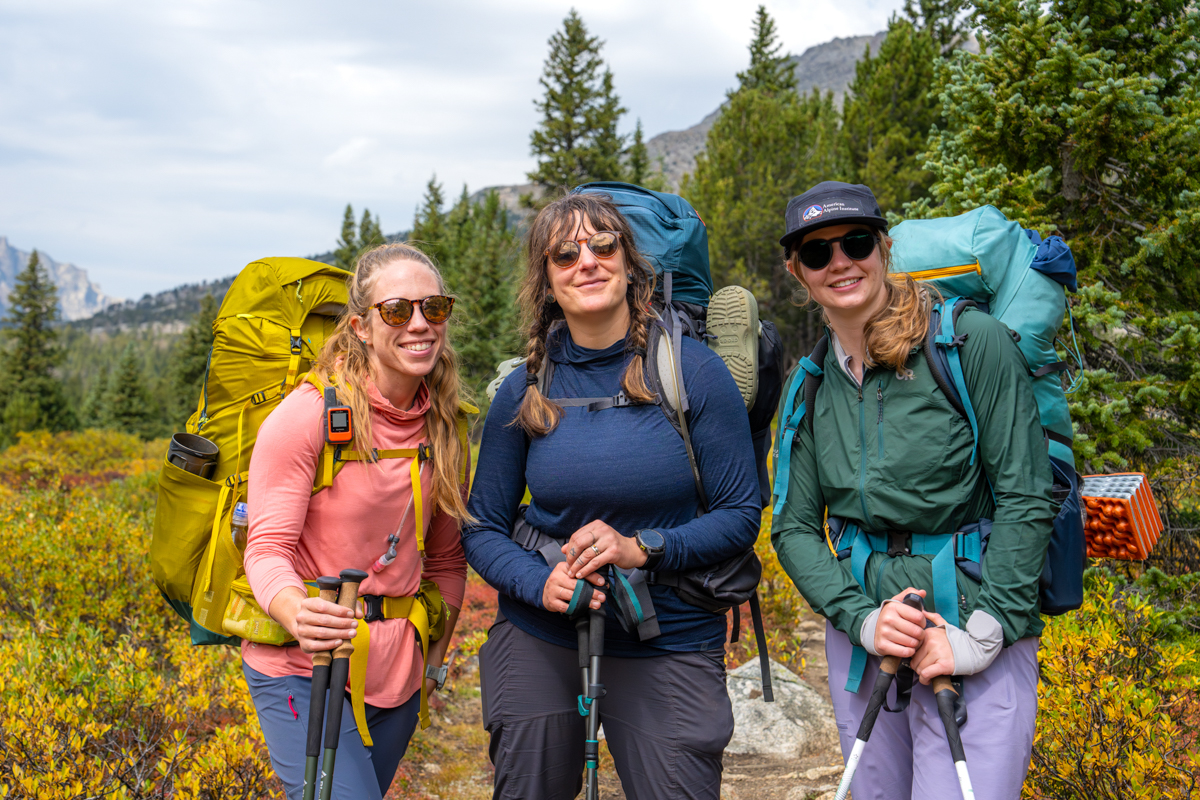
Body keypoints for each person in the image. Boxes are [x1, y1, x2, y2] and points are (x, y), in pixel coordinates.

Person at [463, 192, 761, 800]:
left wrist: (640, 548)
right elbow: (481, 526)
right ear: (547, 280)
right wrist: (538, 583)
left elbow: (739, 515)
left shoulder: (693, 372)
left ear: (629, 264)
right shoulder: (524, 386)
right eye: (565, 254)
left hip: (670, 634)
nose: (587, 262)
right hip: (543, 628)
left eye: (603, 246)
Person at [770, 182, 1055, 800]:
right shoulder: (810, 384)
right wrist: (863, 619)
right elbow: (792, 527)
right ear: (797, 271)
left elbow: (1027, 496)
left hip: (975, 619)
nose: (840, 262)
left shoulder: (970, 343)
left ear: (884, 247)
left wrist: (983, 636)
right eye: (817, 253)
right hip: (867, 640)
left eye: (856, 242)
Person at [242, 243, 470, 799]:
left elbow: (446, 561)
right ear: (361, 327)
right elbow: (266, 548)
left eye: (434, 307)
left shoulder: (446, 428)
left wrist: (433, 663)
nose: (419, 324)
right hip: (305, 665)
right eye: (396, 310)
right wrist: (297, 613)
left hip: (399, 674)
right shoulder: (306, 418)